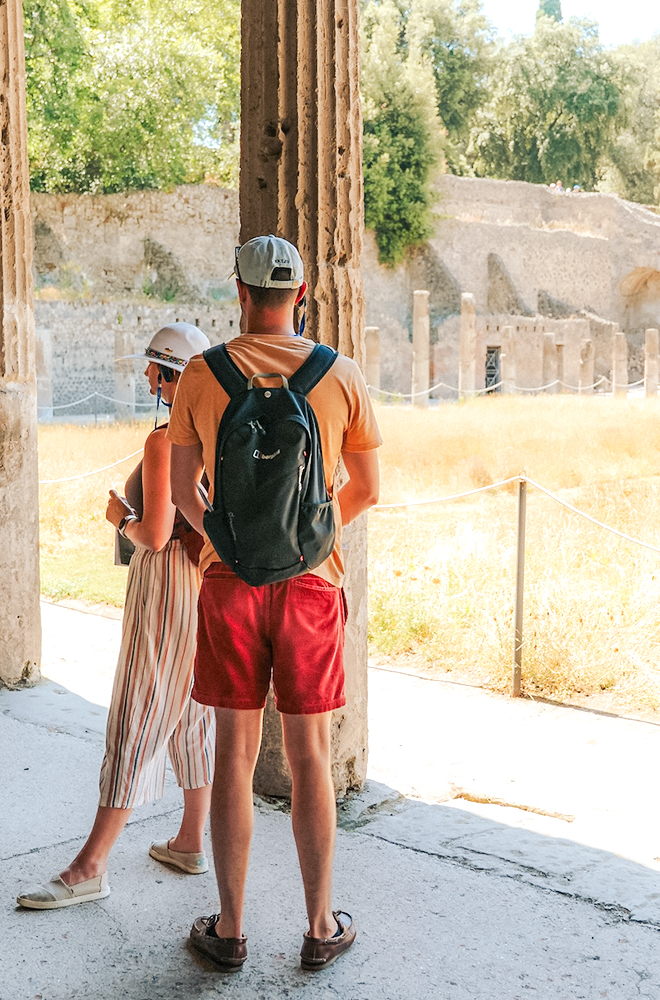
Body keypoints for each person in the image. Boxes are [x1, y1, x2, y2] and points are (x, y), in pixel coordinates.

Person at [167, 236, 380, 972]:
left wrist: (232, 540)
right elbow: (366, 487)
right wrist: (306, 540)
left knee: (233, 750)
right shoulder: (339, 374)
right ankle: (321, 926)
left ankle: (228, 929)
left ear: (240, 291)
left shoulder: (202, 374)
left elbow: (183, 494)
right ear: (303, 292)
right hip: (312, 584)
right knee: (310, 754)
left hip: (230, 583)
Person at [17, 323, 216, 911]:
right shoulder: (223, 431)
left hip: (166, 584)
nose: (146, 379)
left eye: (152, 370)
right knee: (193, 709)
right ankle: (189, 840)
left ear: (166, 375)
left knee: (140, 705)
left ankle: (91, 865)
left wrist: (116, 517)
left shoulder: (166, 441)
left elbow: (154, 535)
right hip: (207, 582)